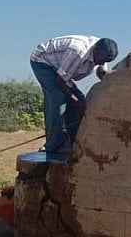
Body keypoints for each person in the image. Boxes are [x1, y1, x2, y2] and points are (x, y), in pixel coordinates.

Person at [30, 35, 118, 163]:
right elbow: (60, 81)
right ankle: (54, 145)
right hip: (44, 61)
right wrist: (75, 101)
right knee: (58, 98)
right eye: (101, 60)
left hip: (62, 71)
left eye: (105, 62)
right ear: (96, 50)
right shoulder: (77, 52)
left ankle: (73, 142)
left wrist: (113, 91)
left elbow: (101, 73)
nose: (101, 63)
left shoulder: (103, 53)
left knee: (82, 100)